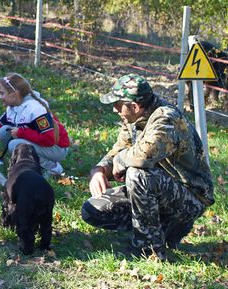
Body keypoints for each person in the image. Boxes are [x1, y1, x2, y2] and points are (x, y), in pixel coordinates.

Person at [81, 74, 214, 260]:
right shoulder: (135, 119)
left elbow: (143, 156)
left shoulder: (166, 119)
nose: (114, 109)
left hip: (190, 197)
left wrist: (119, 163)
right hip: (158, 190)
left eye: (118, 104)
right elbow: (120, 149)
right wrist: (100, 170)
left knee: (137, 174)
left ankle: (149, 249)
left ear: (134, 106)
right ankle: (163, 229)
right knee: (93, 209)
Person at [0, 73, 70, 175]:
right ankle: (24, 163)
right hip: (44, 143)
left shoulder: (35, 109)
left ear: (14, 94)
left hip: (57, 148)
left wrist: (21, 133)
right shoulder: (13, 108)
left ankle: (51, 167)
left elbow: (49, 139)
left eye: (2, 93)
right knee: (3, 131)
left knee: (15, 144)